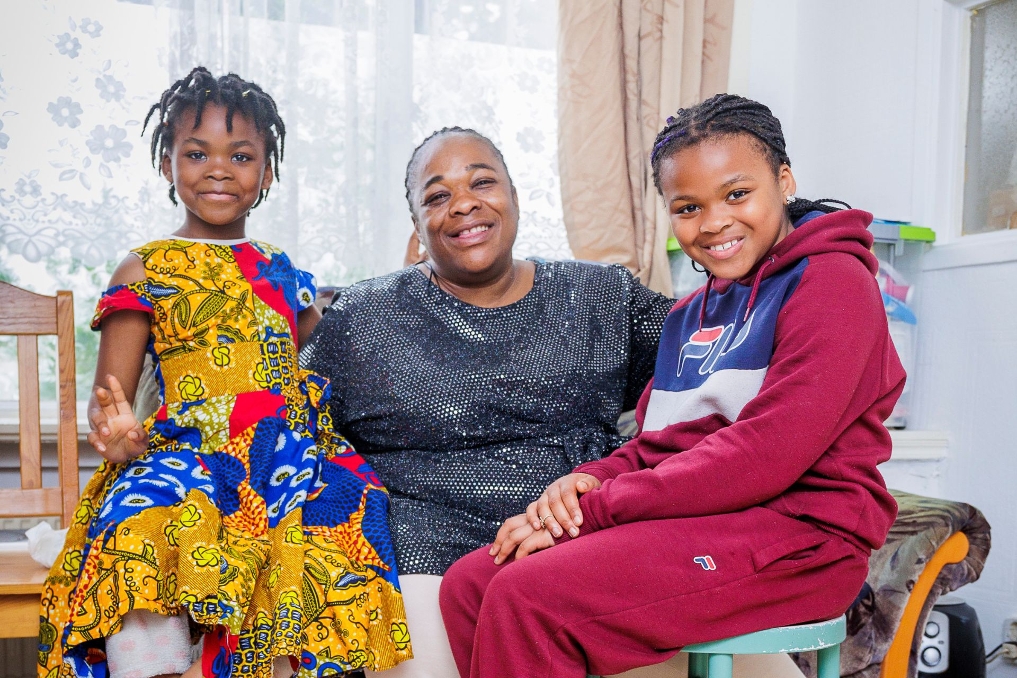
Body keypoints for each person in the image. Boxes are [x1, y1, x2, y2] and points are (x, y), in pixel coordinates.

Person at [438, 94, 906, 678]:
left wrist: (599, 510)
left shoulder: (832, 282)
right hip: (712, 522)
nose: (713, 223)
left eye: (737, 194)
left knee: (528, 596)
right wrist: (581, 488)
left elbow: (765, 455)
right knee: (472, 582)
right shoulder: (689, 314)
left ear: (784, 181)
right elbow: (662, 443)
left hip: (804, 538)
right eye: (687, 207)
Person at [38, 67, 409, 678]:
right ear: (166, 164)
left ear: (266, 173)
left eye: (240, 155)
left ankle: (268, 660)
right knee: (138, 516)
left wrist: (405, 286)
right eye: (196, 152)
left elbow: (336, 358)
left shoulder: (278, 268)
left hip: (281, 449)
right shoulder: (145, 267)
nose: (218, 168)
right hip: (188, 450)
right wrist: (121, 435)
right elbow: (111, 403)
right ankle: (153, 663)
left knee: (341, 505)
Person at [299, 127, 676, 678]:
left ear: (514, 197)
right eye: (436, 195)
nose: (464, 204)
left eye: (482, 182)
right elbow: (289, 416)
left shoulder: (602, 295)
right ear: (417, 228)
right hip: (425, 549)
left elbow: (704, 359)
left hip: (578, 535)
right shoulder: (364, 315)